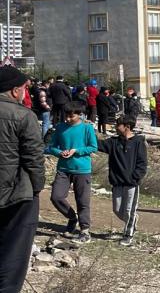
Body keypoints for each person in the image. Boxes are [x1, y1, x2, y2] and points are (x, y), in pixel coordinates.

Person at [0, 66, 45, 293]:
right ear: (16, 91)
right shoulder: (24, 115)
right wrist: (37, 187)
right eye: (26, 89)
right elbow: (34, 158)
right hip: (18, 194)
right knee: (14, 255)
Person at [46, 104, 98, 243]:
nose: (68, 119)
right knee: (56, 196)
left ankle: (85, 230)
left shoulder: (87, 128)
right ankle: (72, 218)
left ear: (80, 114)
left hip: (82, 170)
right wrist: (59, 152)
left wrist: (76, 150)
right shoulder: (60, 127)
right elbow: (52, 146)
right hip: (63, 169)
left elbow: (93, 147)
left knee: (82, 201)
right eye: (66, 116)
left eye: (71, 116)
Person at [97, 115, 147, 246]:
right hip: (117, 182)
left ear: (127, 127)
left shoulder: (138, 142)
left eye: (118, 125)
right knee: (117, 209)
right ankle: (133, 220)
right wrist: (87, 133)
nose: (115, 127)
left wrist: (135, 177)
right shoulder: (113, 142)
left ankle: (128, 234)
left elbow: (142, 163)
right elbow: (97, 144)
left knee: (129, 210)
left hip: (131, 184)